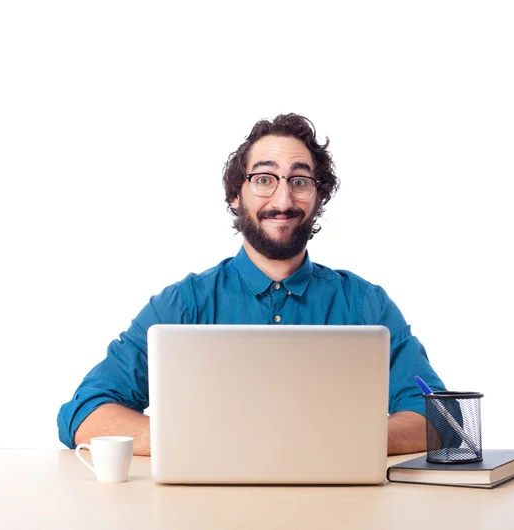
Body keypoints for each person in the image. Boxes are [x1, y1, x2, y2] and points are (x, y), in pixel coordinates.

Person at [57, 113, 447, 456]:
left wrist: (331, 440)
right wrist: (199, 442)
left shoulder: (366, 305)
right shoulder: (182, 305)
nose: (283, 198)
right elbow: (85, 413)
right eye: (264, 179)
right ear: (235, 196)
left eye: (299, 180)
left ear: (318, 196)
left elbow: (437, 418)